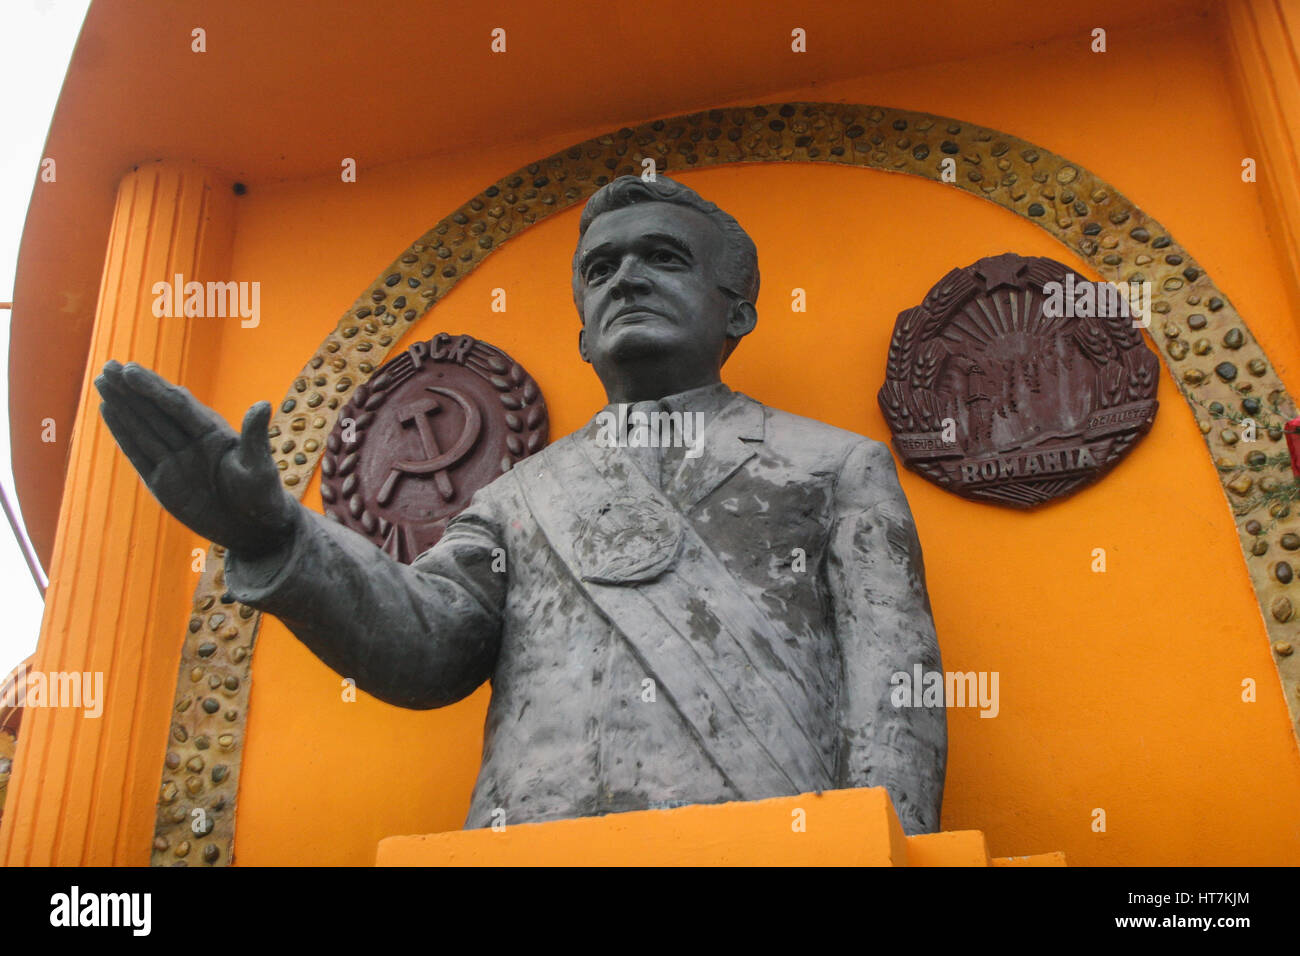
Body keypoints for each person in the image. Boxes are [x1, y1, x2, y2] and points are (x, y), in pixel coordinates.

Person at [95, 175, 947, 834]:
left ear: (741, 309)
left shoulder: (833, 466)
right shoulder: (520, 500)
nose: (629, 279)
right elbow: (425, 648)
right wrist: (275, 533)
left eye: (664, 257)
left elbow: (895, 691)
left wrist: (889, 846)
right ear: (581, 329)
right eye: (601, 269)